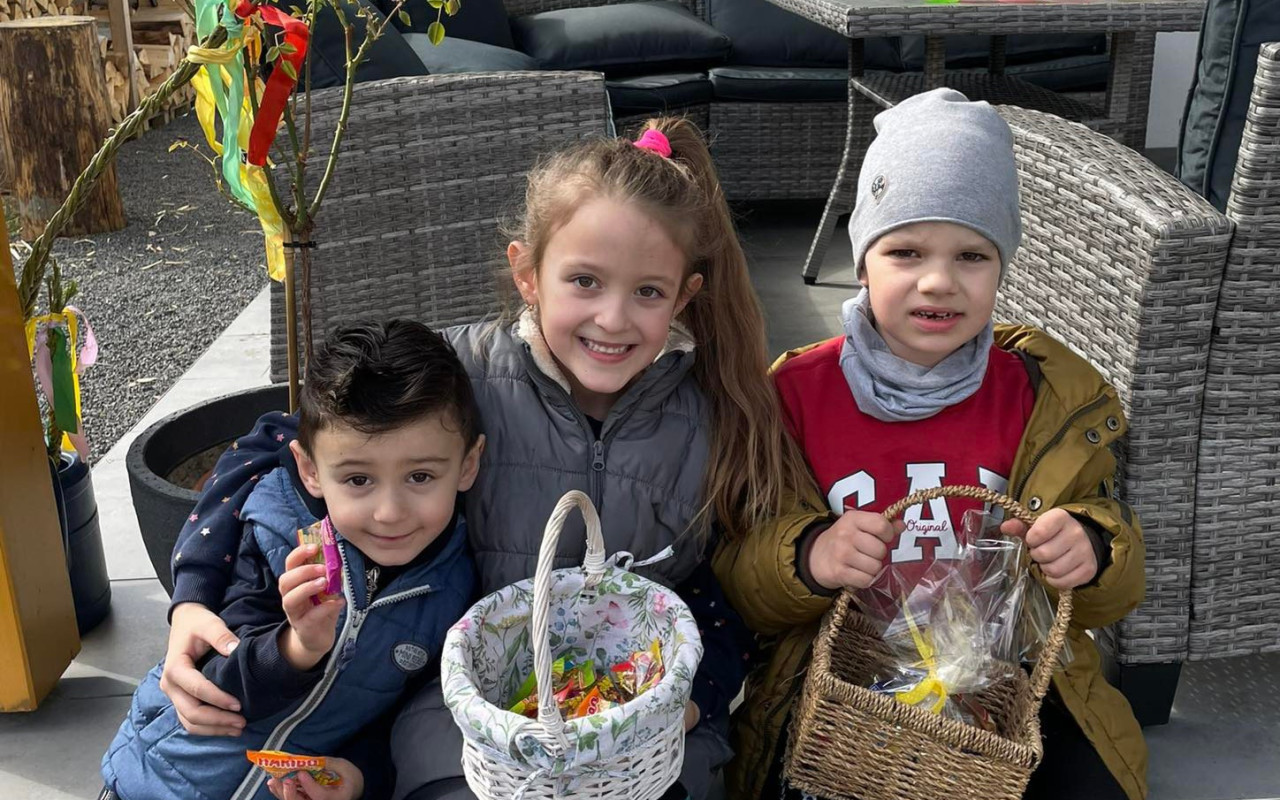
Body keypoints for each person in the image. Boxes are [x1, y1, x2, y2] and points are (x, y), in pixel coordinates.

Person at [150, 118, 813, 800]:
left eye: (647, 291)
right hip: (466, 713)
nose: (613, 319)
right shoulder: (462, 375)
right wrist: (191, 600)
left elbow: (717, 591)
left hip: (642, 725)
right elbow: (267, 448)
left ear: (684, 296)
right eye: (584, 281)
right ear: (527, 273)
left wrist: (685, 704)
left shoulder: (714, 413)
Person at [712, 88, 1149, 800]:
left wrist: (1094, 549)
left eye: (972, 255)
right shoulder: (791, 397)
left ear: (1002, 266)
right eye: (905, 250)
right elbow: (737, 567)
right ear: (862, 263)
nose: (938, 281)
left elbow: (1111, 585)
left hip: (1011, 686)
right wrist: (807, 556)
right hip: (839, 686)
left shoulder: (1042, 399)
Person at [100, 320, 485, 800]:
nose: (389, 513)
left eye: (421, 477)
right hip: (157, 780)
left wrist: (361, 777)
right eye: (359, 481)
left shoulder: (453, 588)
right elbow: (215, 681)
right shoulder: (278, 536)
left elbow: (395, 721)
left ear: (468, 465)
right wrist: (296, 647)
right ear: (310, 469)